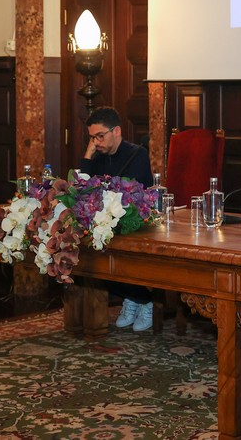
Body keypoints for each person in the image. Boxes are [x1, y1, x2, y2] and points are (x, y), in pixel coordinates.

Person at [81, 106, 155, 332]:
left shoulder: (137, 153)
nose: (96, 143)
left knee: (117, 253)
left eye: (99, 136)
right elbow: (82, 187)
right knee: (92, 257)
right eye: (92, 138)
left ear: (117, 131)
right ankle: (132, 298)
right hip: (106, 223)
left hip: (134, 221)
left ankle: (144, 301)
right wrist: (87, 155)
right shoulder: (97, 157)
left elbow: (140, 194)